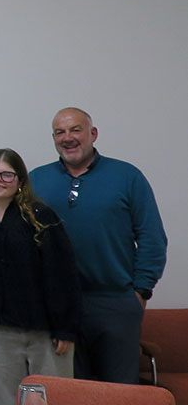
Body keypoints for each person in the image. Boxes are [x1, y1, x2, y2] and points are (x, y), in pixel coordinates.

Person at [30, 108, 167, 384]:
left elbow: (152, 237)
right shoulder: (36, 180)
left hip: (115, 301)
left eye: (75, 130)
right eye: (60, 132)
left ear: (93, 134)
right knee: (68, 391)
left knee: (120, 392)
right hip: (58, 306)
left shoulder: (127, 176)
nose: (68, 137)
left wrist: (141, 291)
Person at [0, 149, 81, 405]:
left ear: (19, 181)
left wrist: (65, 328)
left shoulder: (40, 216)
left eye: (7, 175)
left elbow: (63, 273)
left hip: (45, 332)